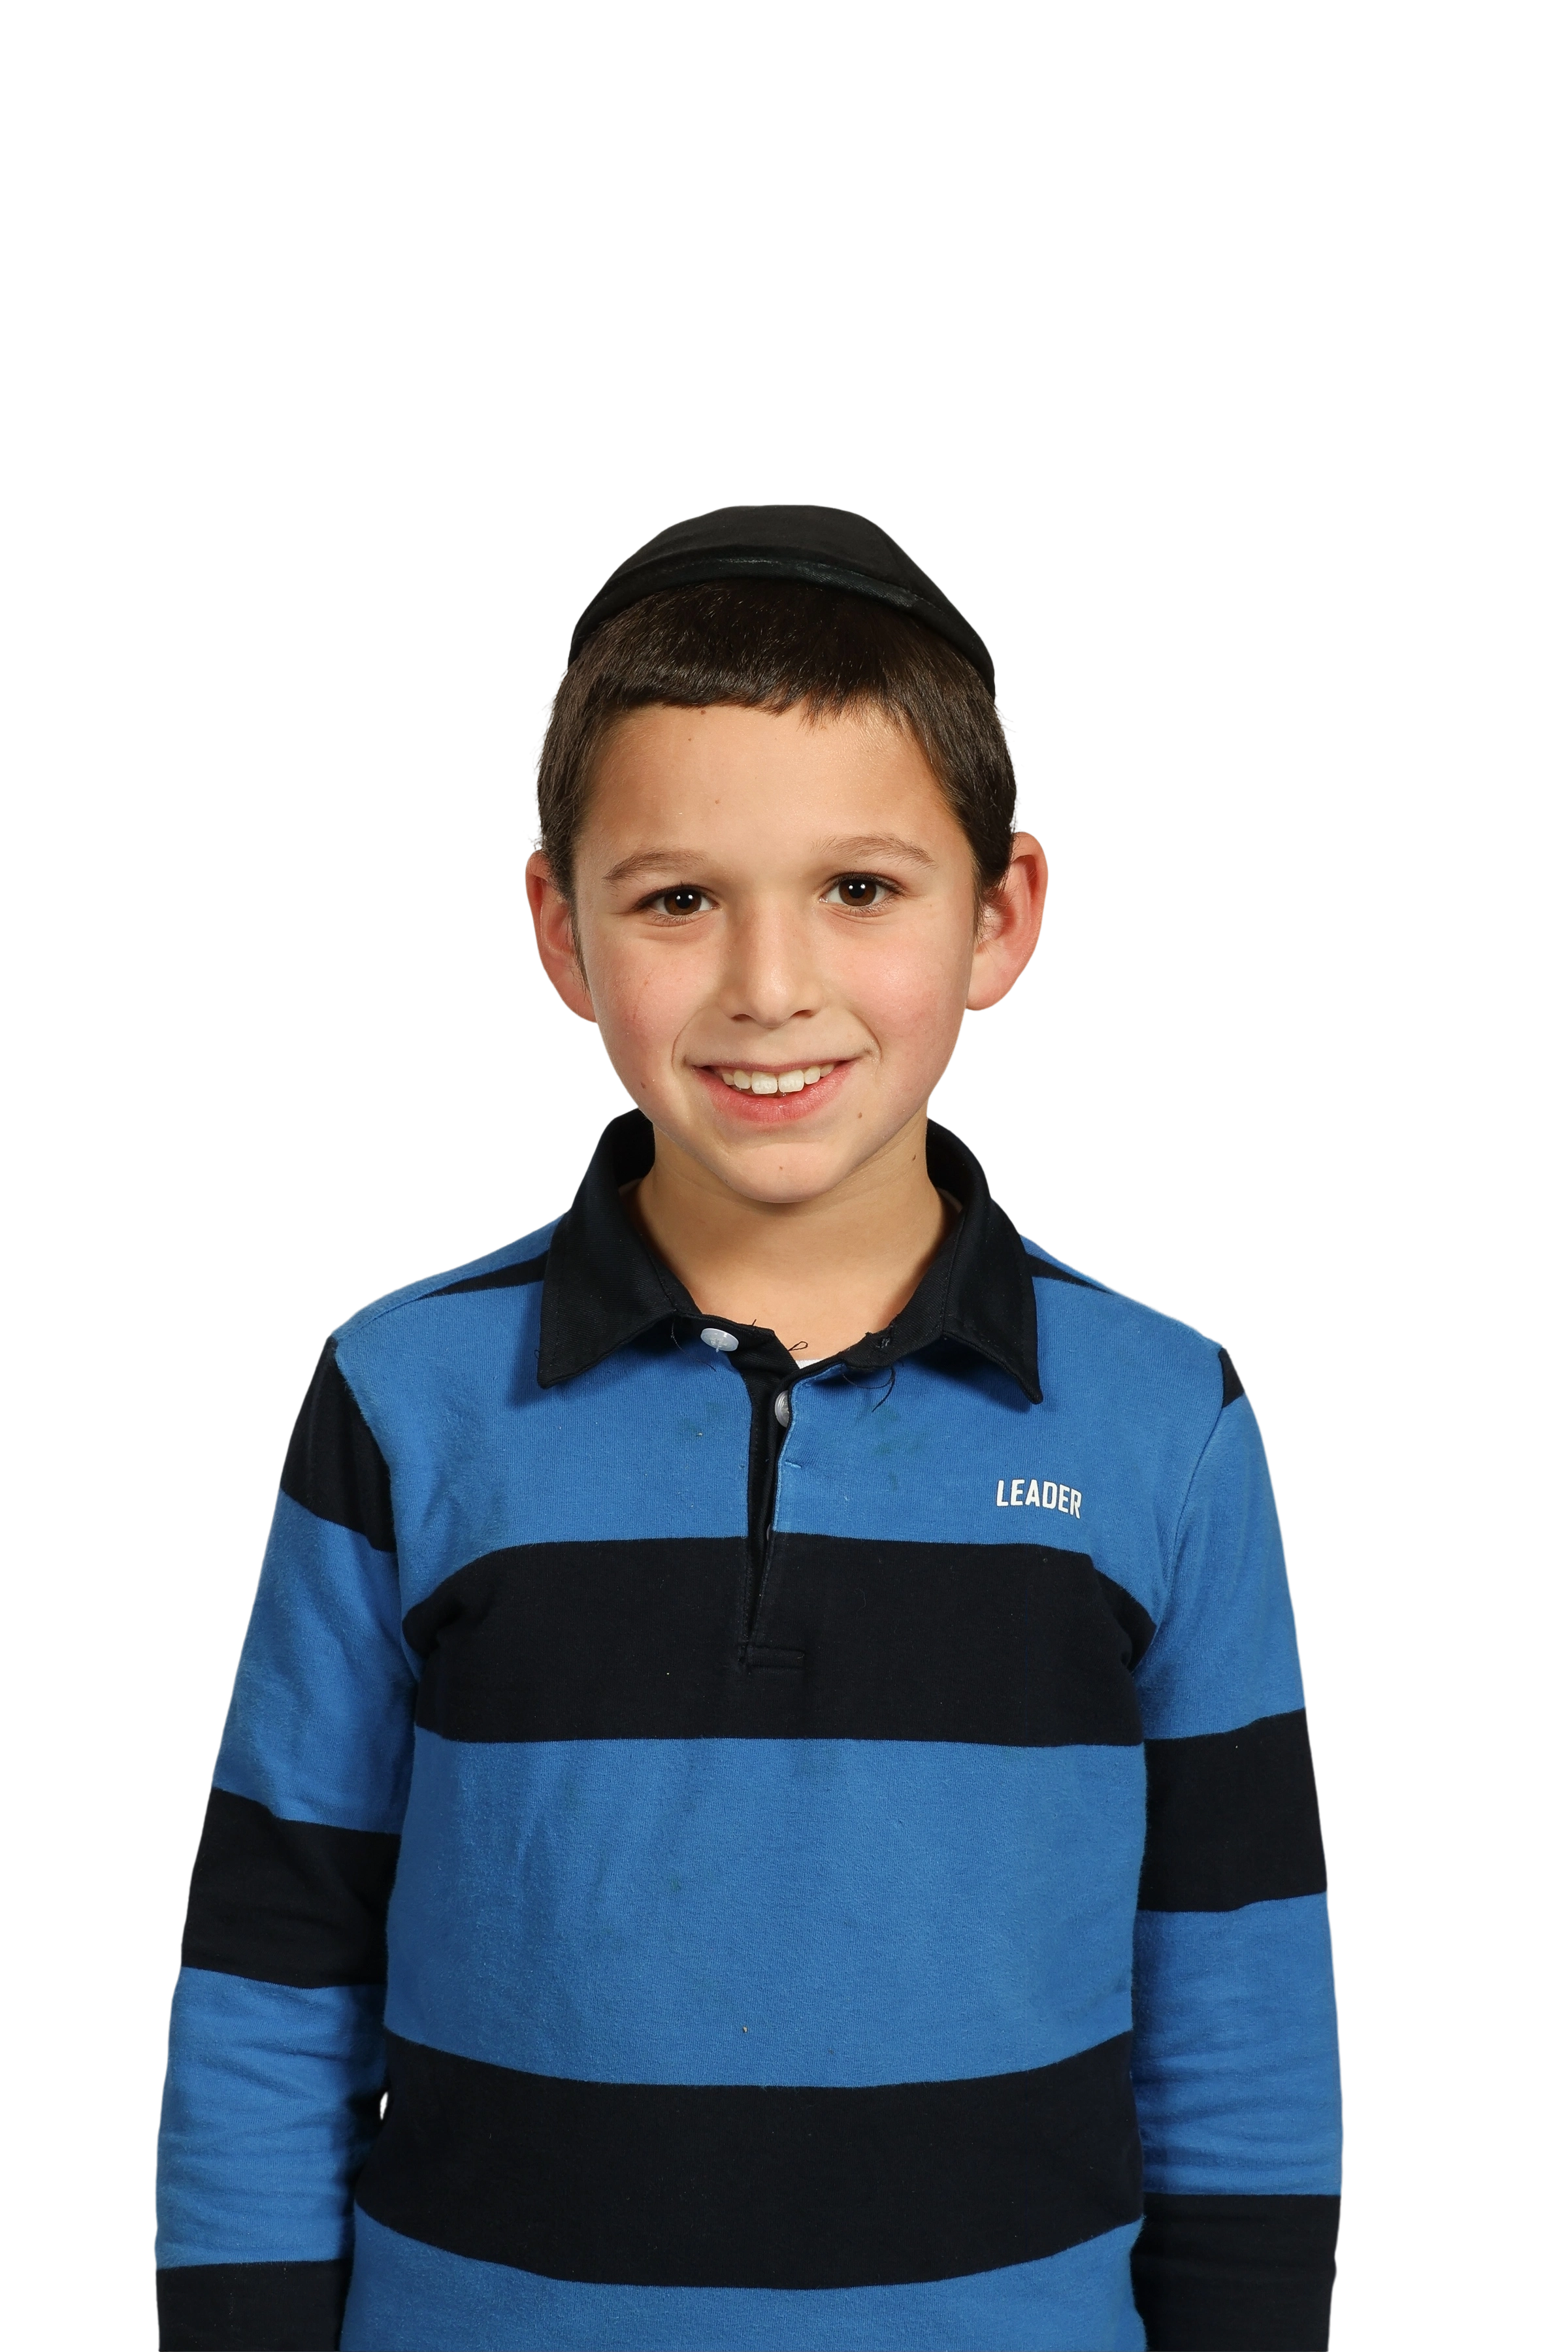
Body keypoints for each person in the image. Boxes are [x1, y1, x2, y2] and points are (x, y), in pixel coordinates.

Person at [152, 503, 1344, 2351]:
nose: (769, 985)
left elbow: (1239, 2004)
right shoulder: (405, 1393)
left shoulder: (1162, 1418)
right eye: (677, 898)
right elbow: (270, 1970)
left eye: (859, 890)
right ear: (559, 928)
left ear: (1001, 916)